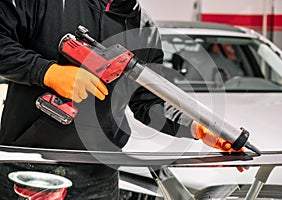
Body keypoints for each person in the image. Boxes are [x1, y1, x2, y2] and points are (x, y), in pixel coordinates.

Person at [0, 0, 245, 199]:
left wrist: (197, 127)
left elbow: (147, 101)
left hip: (98, 175)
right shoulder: (44, 3)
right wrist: (47, 72)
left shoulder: (145, 30)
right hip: (27, 162)